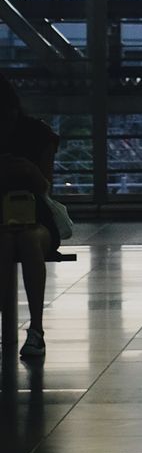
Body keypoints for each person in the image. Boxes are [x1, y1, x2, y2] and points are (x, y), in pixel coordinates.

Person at [0, 74, 61, 359]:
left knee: (15, 239)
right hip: (35, 219)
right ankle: (36, 330)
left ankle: (32, 327)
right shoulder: (39, 133)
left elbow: (44, 183)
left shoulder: (36, 134)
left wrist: (26, 170)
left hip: (28, 217)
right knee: (24, 239)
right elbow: (46, 187)